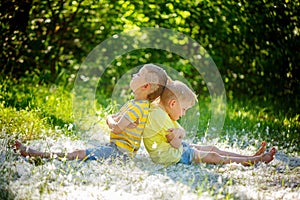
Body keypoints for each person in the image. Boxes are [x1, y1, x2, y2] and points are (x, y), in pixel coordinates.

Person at [15, 63, 170, 161]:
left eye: (138, 75)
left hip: (120, 154)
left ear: (145, 87)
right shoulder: (137, 104)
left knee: (79, 153)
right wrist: (118, 121)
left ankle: (36, 154)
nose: (133, 75)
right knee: (85, 152)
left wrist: (109, 118)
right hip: (117, 149)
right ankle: (37, 153)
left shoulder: (138, 107)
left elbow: (116, 126)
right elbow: (123, 122)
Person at [143, 80, 276, 167]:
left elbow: (178, 137)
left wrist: (180, 133)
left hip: (174, 150)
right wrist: (179, 135)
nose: (183, 114)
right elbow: (176, 144)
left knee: (212, 148)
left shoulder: (162, 113)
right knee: (214, 156)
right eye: (184, 109)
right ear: (173, 104)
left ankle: (250, 157)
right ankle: (255, 160)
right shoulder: (159, 117)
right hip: (172, 155)